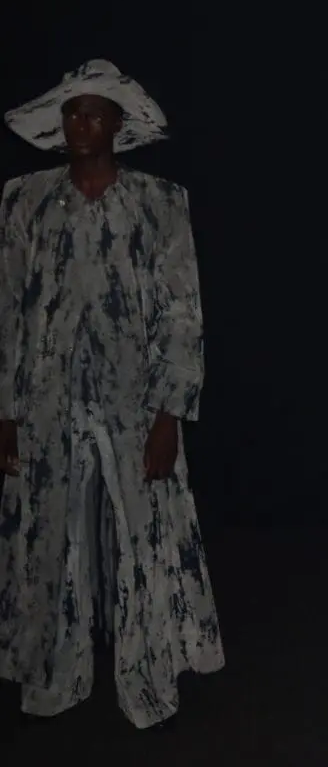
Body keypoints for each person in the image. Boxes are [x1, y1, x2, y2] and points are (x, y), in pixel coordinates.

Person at [0, 59, 224, 729]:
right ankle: (53, 676)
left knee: (145, 531)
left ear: (119, 125)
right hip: (46, 400)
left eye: (94, 111)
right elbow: (10, 307)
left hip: (133, 400)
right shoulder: (23, 200)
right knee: (49, 536)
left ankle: (149, 671)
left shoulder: (160, 202)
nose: (80, 123)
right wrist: (5, 410)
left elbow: (183, 312)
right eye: (71, 111)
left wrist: (169, 414)